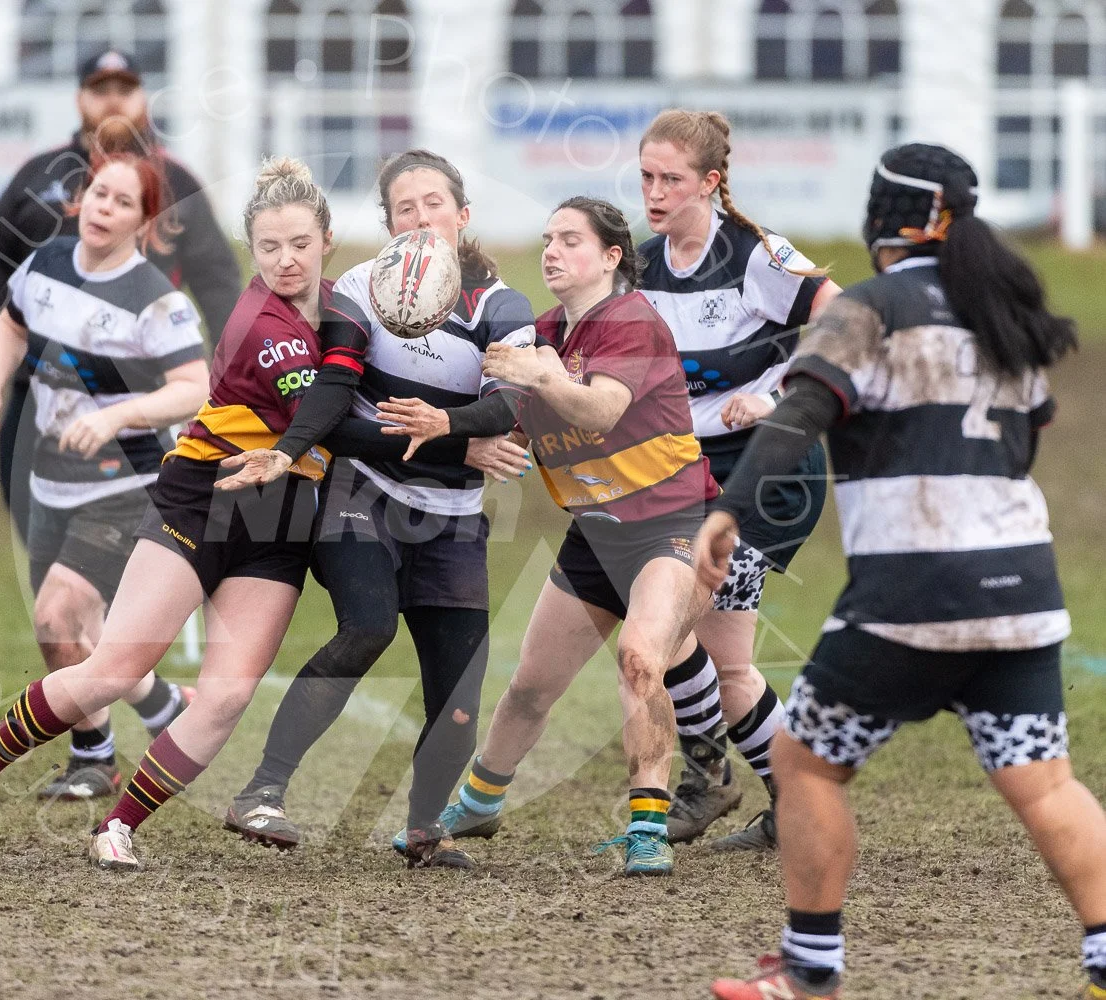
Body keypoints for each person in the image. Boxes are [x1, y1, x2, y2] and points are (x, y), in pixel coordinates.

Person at [0, 157, 525, 870]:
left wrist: (464, 424)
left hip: (278, 527)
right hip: (204, 503)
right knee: (115, 669)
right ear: (252, 249)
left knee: (224, 697)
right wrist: (460, 447)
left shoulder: (344, 305)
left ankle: (117, 826)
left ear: (327, 240)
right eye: (268, 247)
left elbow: (366, 391)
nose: (285, 260)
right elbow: (337, 419)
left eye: (300, 244)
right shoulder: (264, 323)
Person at [701, 144, 1106, 999]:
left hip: (912, 596)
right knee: (1047, 783)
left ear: (884, 218)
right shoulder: (1004, 307)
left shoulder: (871, 307)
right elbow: (1033, 425)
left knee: (807, 764)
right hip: (1022, 592)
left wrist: (730, 509)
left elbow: (801, 411)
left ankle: (810, 970)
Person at [218, 149, 537, 868]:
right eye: (404, 208)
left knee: (458, 693)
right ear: (388, 223)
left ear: (462, 215)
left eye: (434, 203)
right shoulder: (361, 288)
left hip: (451, 518)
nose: (420, 218)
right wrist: (291, 445)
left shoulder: (502, 306)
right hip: (360, 493)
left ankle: (424, 828)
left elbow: (511, 405)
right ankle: (262, 790)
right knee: (367, 626)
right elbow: (333, 391)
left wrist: (451, 428)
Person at [434, 197, 718, 876]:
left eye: (571, 240)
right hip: (595, 534)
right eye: (547, 239)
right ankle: (478, 802)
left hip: (676, 528)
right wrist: (459, 438)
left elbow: (600, 410)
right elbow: (509, 430)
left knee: (641, 658)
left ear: (612, 257)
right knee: (532, 686)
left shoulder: (631, 322)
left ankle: (648, 827)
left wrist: (541, 373)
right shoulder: (544, 333)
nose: (553, 252)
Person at [0, 141, 209, 801]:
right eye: (99, 193)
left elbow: (193, 387)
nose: (105, 207)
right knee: (75, 635)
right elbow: (11, 328)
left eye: (123, 201)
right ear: (82, 199)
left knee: (57, 616)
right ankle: (137, 728)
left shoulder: (155, 300)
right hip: (51, 481)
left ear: (145, 222)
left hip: (128, 486)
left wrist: (118, 414)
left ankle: (101, 752)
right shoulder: (43, 265)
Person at [636, 109, 842, 850]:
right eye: (646, 177)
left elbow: (849, 321)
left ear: (711, 183)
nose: (655, 193)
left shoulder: (755, 255)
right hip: (690, 475)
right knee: (728, 667)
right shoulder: (644, 263)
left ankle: (707, 781)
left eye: (672, 180)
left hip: (768, 472)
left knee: (666, 635)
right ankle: (795, 807)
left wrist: (782, 395)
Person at [0, 44, 242, 541]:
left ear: (143, 97)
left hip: (137, 393)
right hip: (39, 386)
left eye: (125, 89)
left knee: (117, 555)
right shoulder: (39, 173)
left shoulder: (177, 182)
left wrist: (232, 375)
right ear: (78, 99)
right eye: (100, 90)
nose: (113, 100)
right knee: (34, 534)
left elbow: (220, 282)